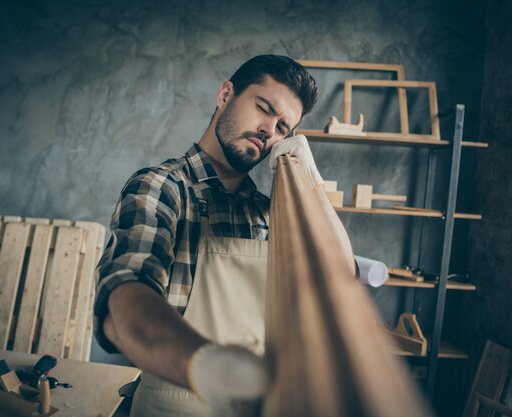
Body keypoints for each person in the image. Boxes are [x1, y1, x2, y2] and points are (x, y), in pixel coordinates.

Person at [94, 54, 354, 417]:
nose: (269, 130)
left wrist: (311, 179)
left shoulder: (268, 212)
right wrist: (213, 369)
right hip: (170, 404)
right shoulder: (162, 188)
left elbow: (342, 274)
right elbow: (125, 299)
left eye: (282, 128)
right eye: (264, 108)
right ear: (225, 94)